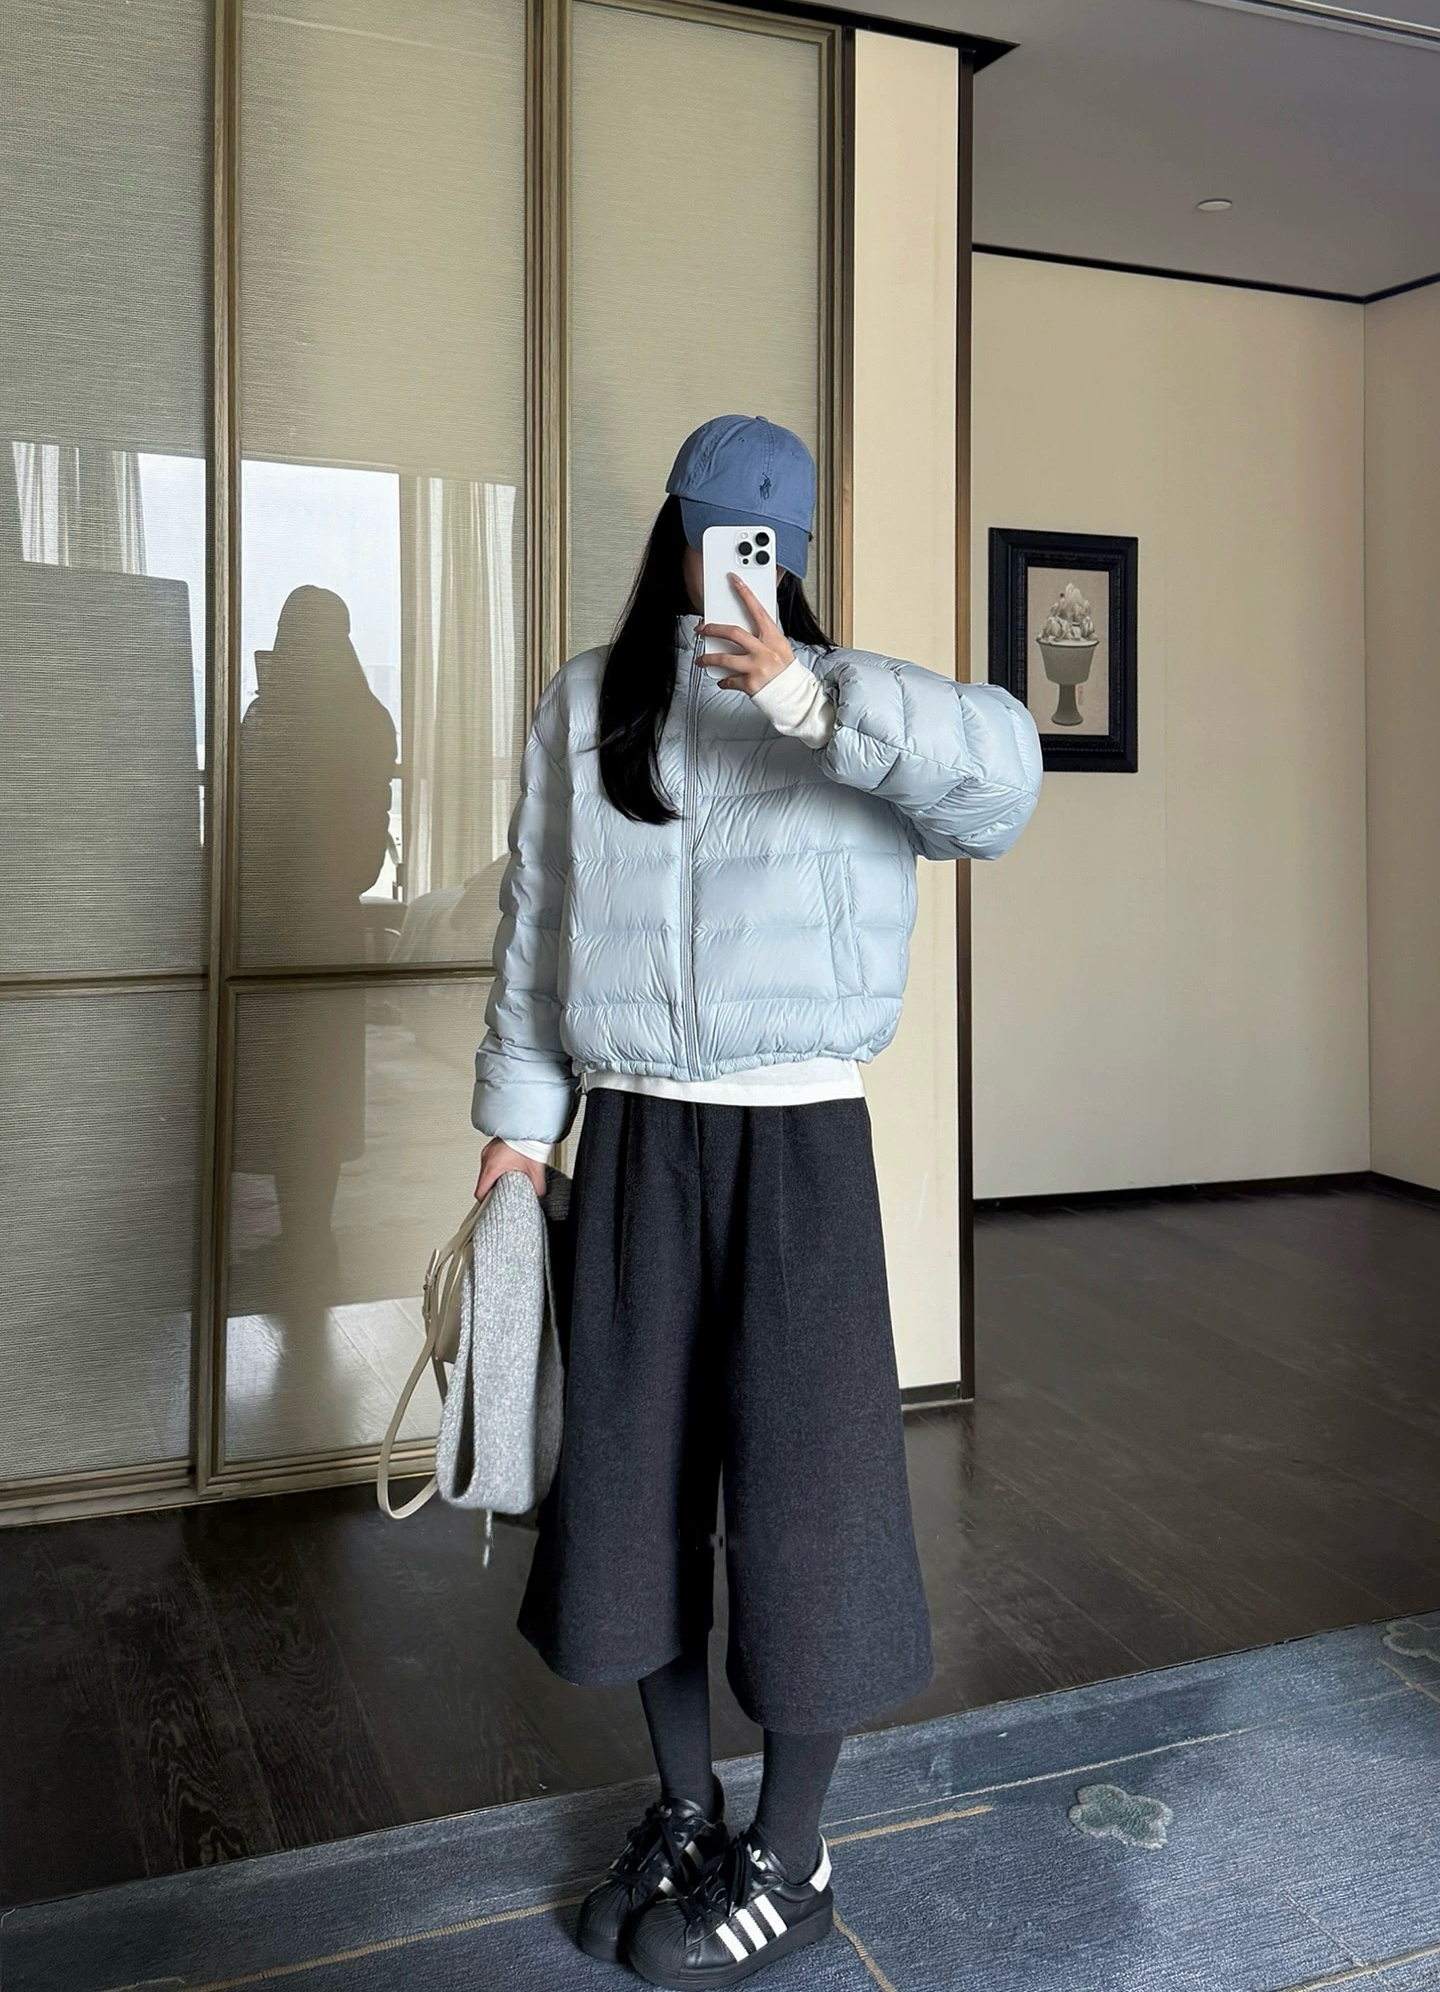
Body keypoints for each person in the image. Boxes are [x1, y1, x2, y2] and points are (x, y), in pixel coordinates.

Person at [471, 414, 1042, 1987]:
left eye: (768, 542)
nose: (742, 562)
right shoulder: (588, 706)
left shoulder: (855, 710)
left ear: (793, 555)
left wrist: (810, 696)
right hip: (631, 1142)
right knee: (632, 1493)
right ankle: (686, 1812)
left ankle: (794, 1858)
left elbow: (1006, 787)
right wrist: (516, 1133)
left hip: (799, 1149)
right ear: (678, 534)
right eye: (720, 533)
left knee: (809, 1504)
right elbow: (536, 928)